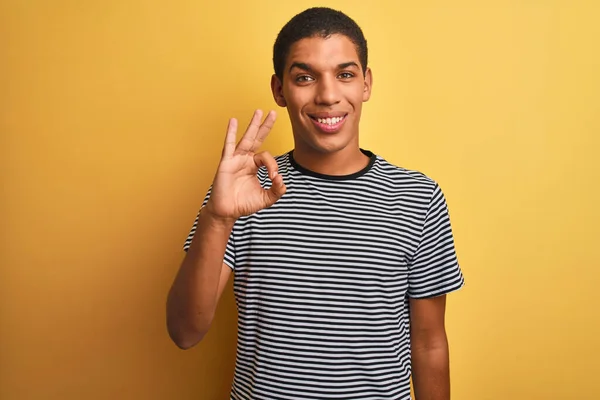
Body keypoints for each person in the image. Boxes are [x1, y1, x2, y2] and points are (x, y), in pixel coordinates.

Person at [166, 7, 464, 400]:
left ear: (366, 84)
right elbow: (185, 332)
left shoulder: (417, 196)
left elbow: (429, 345)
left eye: (345, 74)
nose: (327, 95)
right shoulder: (240, 193)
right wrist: (218, 219)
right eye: (305, 77)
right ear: (279, 90)